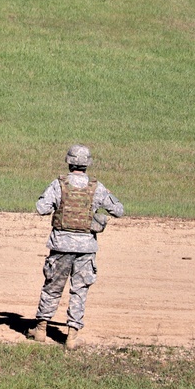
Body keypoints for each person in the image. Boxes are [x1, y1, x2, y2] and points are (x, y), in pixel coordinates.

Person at [28, 144, 124, 350]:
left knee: (52, 287)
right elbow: (118, 210)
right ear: (87, 164)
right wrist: (96, 216)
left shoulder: (59, 184)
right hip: (86, 248)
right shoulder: (96, 187)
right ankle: (71, 335)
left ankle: (41, 329)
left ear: (69, 162)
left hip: (61, 246)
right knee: (79, 290)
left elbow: (41, 208)